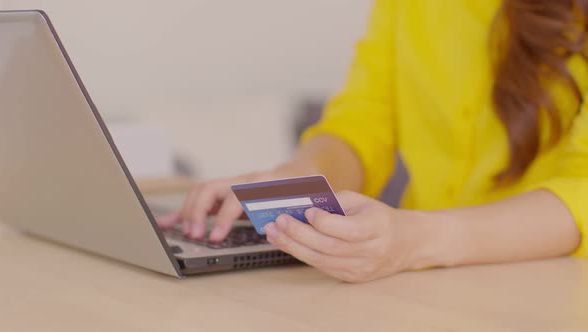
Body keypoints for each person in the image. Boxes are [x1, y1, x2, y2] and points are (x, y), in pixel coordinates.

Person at [158, 0, 588, 283]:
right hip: (428, 282)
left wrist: (416, 240)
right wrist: (287, 184)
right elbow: (363, 123)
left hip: (550, 290)